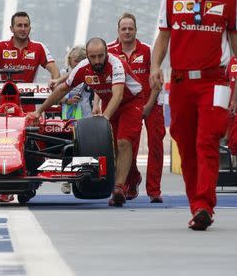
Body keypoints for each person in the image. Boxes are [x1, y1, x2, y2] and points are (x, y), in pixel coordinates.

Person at [150, 0, 237, 230]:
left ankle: (204, 205)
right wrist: (155, 67)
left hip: (216, 82)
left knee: (207, 140)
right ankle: (196, 206)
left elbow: (235, 43)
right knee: (185, 143)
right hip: (180, 82)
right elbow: (163, 36)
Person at [29, 37, 144, 207]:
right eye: (93, 57)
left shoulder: (116, 64)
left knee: (123, 143)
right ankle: (133, 178)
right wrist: (39, 111)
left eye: (100, 56)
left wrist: (104, 118)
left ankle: (118, 188)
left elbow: (118, 95)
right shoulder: (84, 67)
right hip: (109, 101)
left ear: (107, 53)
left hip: (130, 102)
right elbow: (63, 88)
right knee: (112, 148)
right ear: (88, 57)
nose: (97, 60)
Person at [0, 11, 60, 203]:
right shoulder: (1, 46)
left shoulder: (38, 48)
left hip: (29, 109)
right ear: (11, 28)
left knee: (30, 147)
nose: (22, 29)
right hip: (2, 108)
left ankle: (23, 178)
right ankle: (4, 186)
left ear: (30, 27)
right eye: (19, 25)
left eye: (26, 25)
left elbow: (54, 68)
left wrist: (54, 79)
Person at [108, 13, 165, 203]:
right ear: (118, 31)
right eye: (123, 29)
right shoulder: (108, 51)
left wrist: (149, 105)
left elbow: (158, 80)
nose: (127, 32)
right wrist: (98, 105)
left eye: (130, 28)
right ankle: (130, 182)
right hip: (124, 105)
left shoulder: (148, 51)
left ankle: (154, 190)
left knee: (156, 145)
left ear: (136, 30)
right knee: (123, 145)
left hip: (152, 103)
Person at [55, 45, 93, 194]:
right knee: (68, 148)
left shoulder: (90, 73)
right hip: (67, 117)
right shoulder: (63, 74)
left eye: (81, 60)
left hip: (86, 117)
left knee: (84, 148)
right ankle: (66, 179)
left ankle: (85, 178)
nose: (77, 63)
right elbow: (53, 96)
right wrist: (66, 100)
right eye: (75, 60)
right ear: (70, 60)